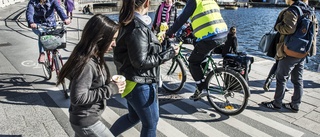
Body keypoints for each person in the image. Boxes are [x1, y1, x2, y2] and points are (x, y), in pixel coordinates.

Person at [110, 0, 178, 136]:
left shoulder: (129, 21)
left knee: (133, 117)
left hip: (131, 79)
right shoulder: (137, 26)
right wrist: (169, 53)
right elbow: (140, 62)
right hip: (140, 83)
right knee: (151, 124)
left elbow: (136, 52)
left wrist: (157, 43)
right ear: (147, 3)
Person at [56, 14, 125, 137]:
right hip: (86, 122)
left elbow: (91, 82)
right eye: (112, 39)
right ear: (100, 38)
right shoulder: (87, 63)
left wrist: (107, 81)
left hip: (82, 119)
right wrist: (111, 89)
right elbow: (78, 97)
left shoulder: (92, 56)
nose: (114, 44)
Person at [165, 0, 228, 100]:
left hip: (210, 37)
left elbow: (181, 19)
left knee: (193, 62)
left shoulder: (194, 1)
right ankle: (204, 70)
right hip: (223, 33)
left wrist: (169, 32)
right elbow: (206, 17)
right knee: (199, 49)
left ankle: (201, 88)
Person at [261, 0, 317, 112]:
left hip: (290, 50)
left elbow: (288, 29)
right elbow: (315, 30)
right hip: (303, 51)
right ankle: (295, 104)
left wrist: (278, 26)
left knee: (281, 78)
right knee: (298, 80)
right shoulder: (310, 11)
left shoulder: (293, 10)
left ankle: (277, 103)